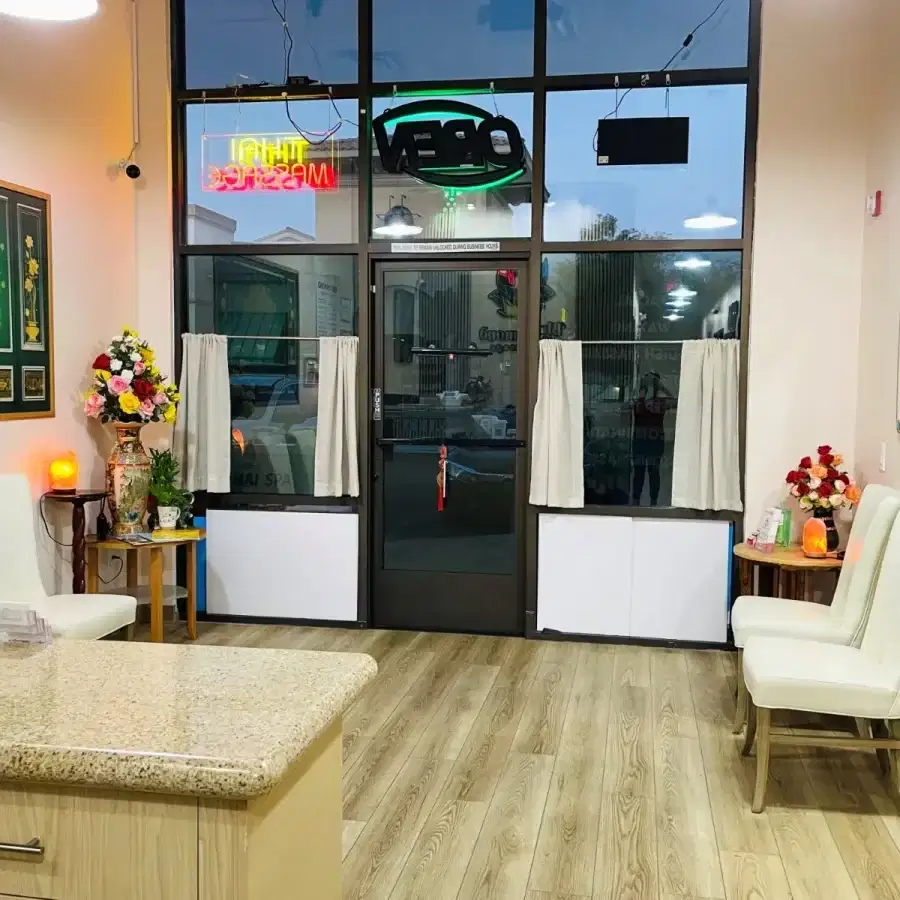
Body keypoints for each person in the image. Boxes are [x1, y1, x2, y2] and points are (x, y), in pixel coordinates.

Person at [631, 372, 676, 506]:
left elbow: (675, 402)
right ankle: (638, 501)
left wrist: (662, 389)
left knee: (652, 472)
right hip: (642, 442)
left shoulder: (659, 403)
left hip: (653, 442)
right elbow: (631, 404)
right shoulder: (641, 400)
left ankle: (652, 502)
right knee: (640, 472)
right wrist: (644, 389)